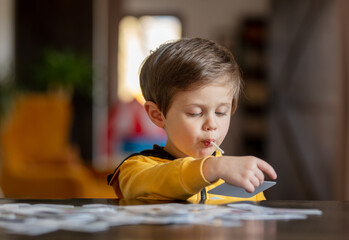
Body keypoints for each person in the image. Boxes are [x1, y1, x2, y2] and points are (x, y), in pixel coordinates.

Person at [107, 37, 277, 204]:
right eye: (195, 113)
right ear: (157, 115)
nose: (212, 124)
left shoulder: (237, 177)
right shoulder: (136, 170)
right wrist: (211, 168)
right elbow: (151, 184)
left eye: (220, 112)